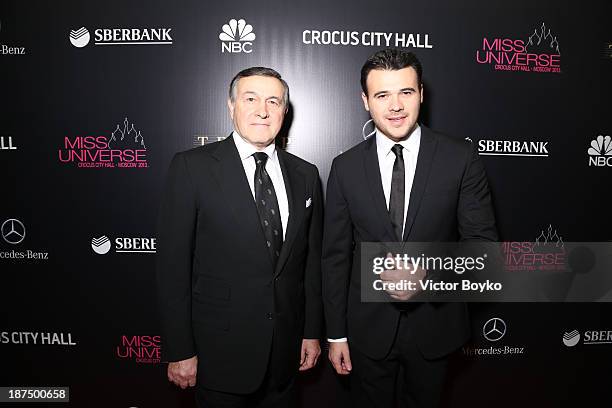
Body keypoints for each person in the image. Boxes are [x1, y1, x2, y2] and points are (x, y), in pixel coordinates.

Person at [322, 49, 498, 408]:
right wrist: (336, 334)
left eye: (405, 92)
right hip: (366, 331)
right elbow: (336, 257)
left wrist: (427, 276)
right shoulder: (345, 167)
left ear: (421, 93)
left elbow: (483, 250)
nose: (395, 106)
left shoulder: (460, 159)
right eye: (382, 95)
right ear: (365, 101)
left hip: (435, 328)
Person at [156, 66, 323, 407]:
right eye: (251, 99)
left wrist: (311, 332)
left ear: (284, 112)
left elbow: (311, 264)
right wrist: (180, 350)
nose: (262, 110)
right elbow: (172, 269)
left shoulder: (306, 174)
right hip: (219, 356)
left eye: (273, 101)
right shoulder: (191, 168)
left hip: (285, 358)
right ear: (231, 107)